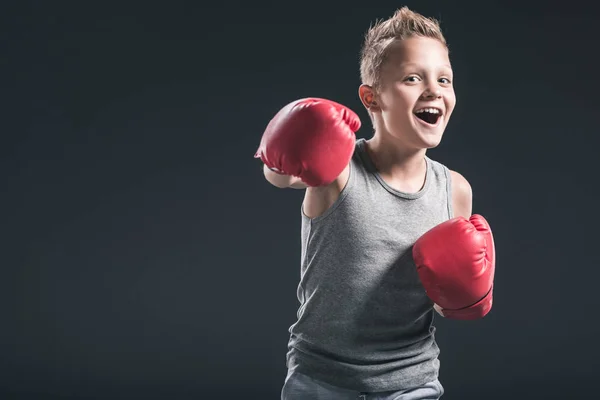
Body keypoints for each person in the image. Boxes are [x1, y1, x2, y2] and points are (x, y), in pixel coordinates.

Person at [254, 6, 496, 400]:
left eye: (444, 79)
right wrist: (294, 143)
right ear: (372, 97)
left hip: (411, 382)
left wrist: (464, 294)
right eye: (412, 78)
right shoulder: (340, 169)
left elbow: (439, 298)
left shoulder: (454, 190)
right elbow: (283, 174)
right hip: (321, 380)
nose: (433, 89)